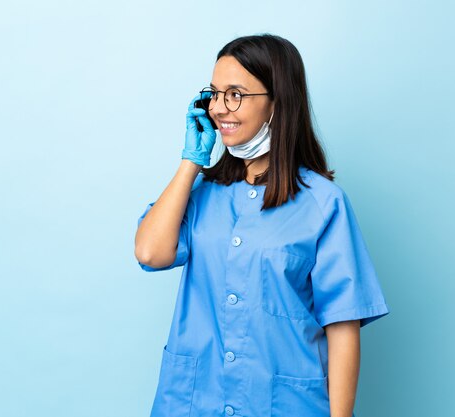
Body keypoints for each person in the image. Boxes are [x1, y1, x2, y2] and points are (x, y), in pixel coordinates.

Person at [134, 33, 390, 417]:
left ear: (276, 102)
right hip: (192, 402)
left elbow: (342, 327)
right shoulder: (200, 192)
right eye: (215, 93)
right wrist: (192, 161)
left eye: (235, 94)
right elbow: (151, 253)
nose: (219, 108)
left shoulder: (322, 204)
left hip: (282, 405)